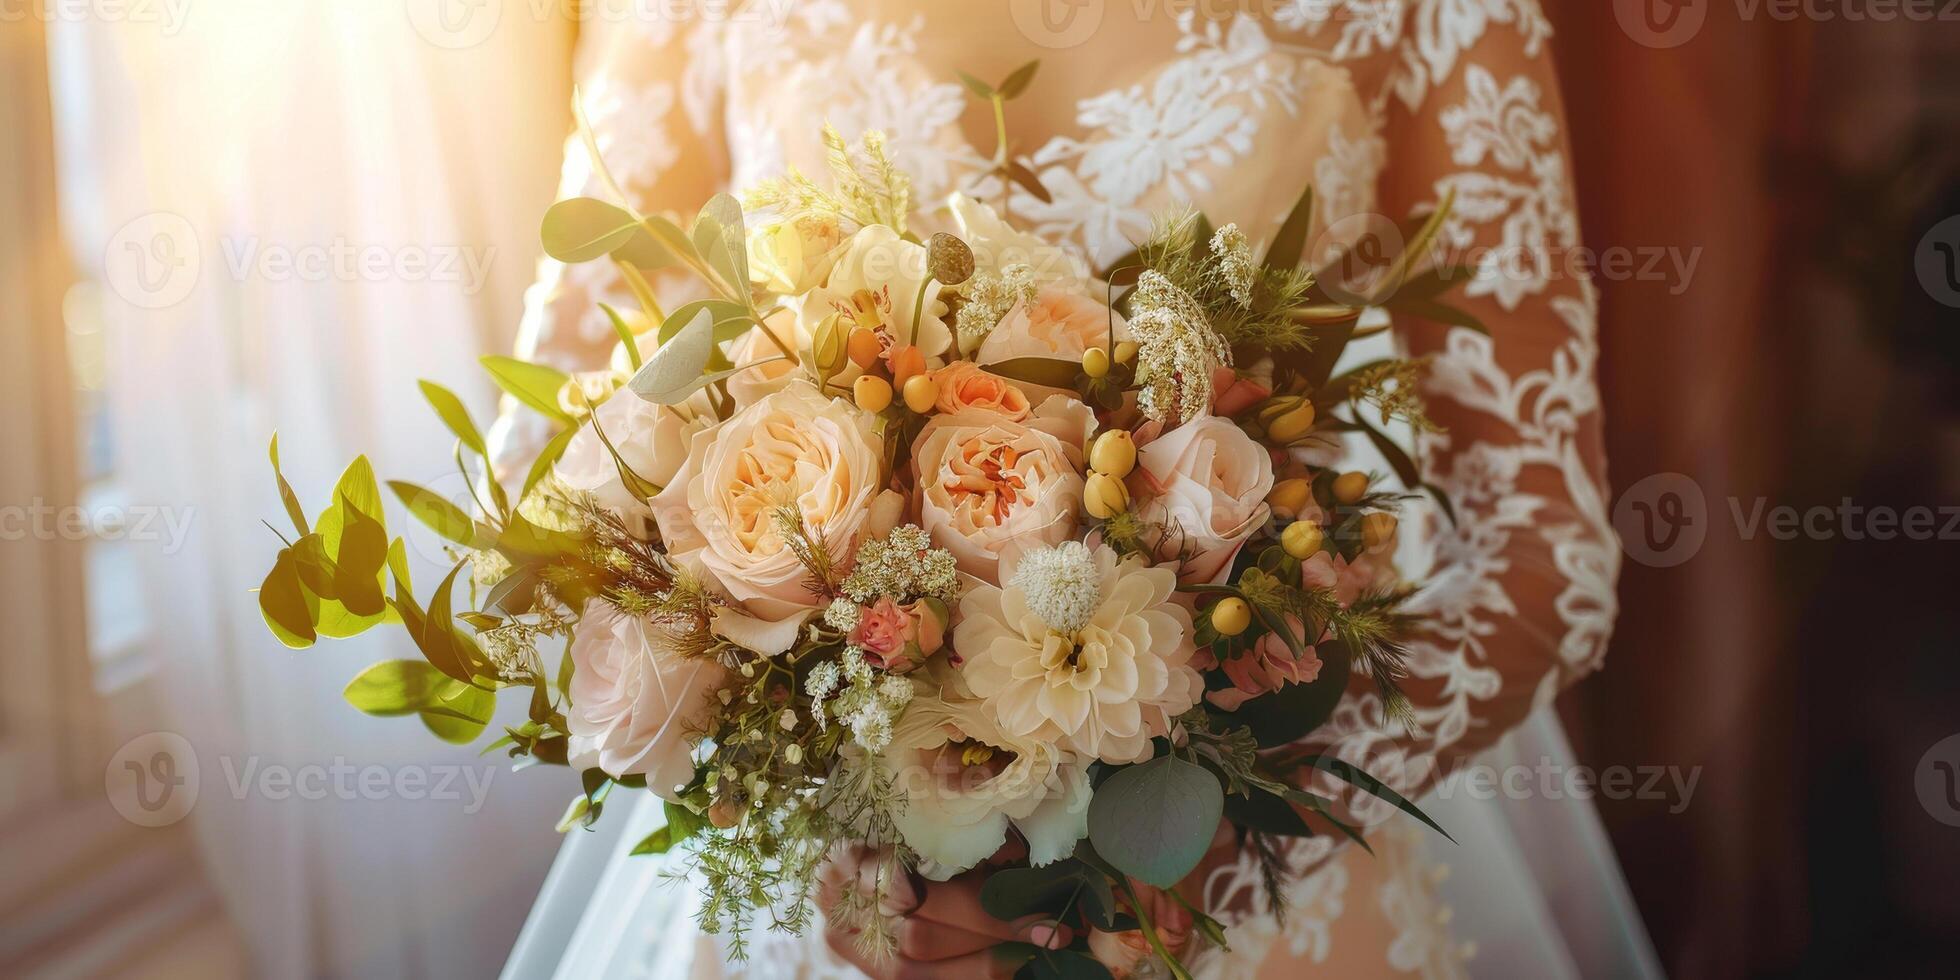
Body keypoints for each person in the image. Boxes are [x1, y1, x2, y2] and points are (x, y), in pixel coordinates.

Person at [494, 2, 1654, 976]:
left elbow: (1543, 543)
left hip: (1221, 903)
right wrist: (822, 808)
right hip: (834, 906)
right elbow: (548, 479)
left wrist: (1211, 845)